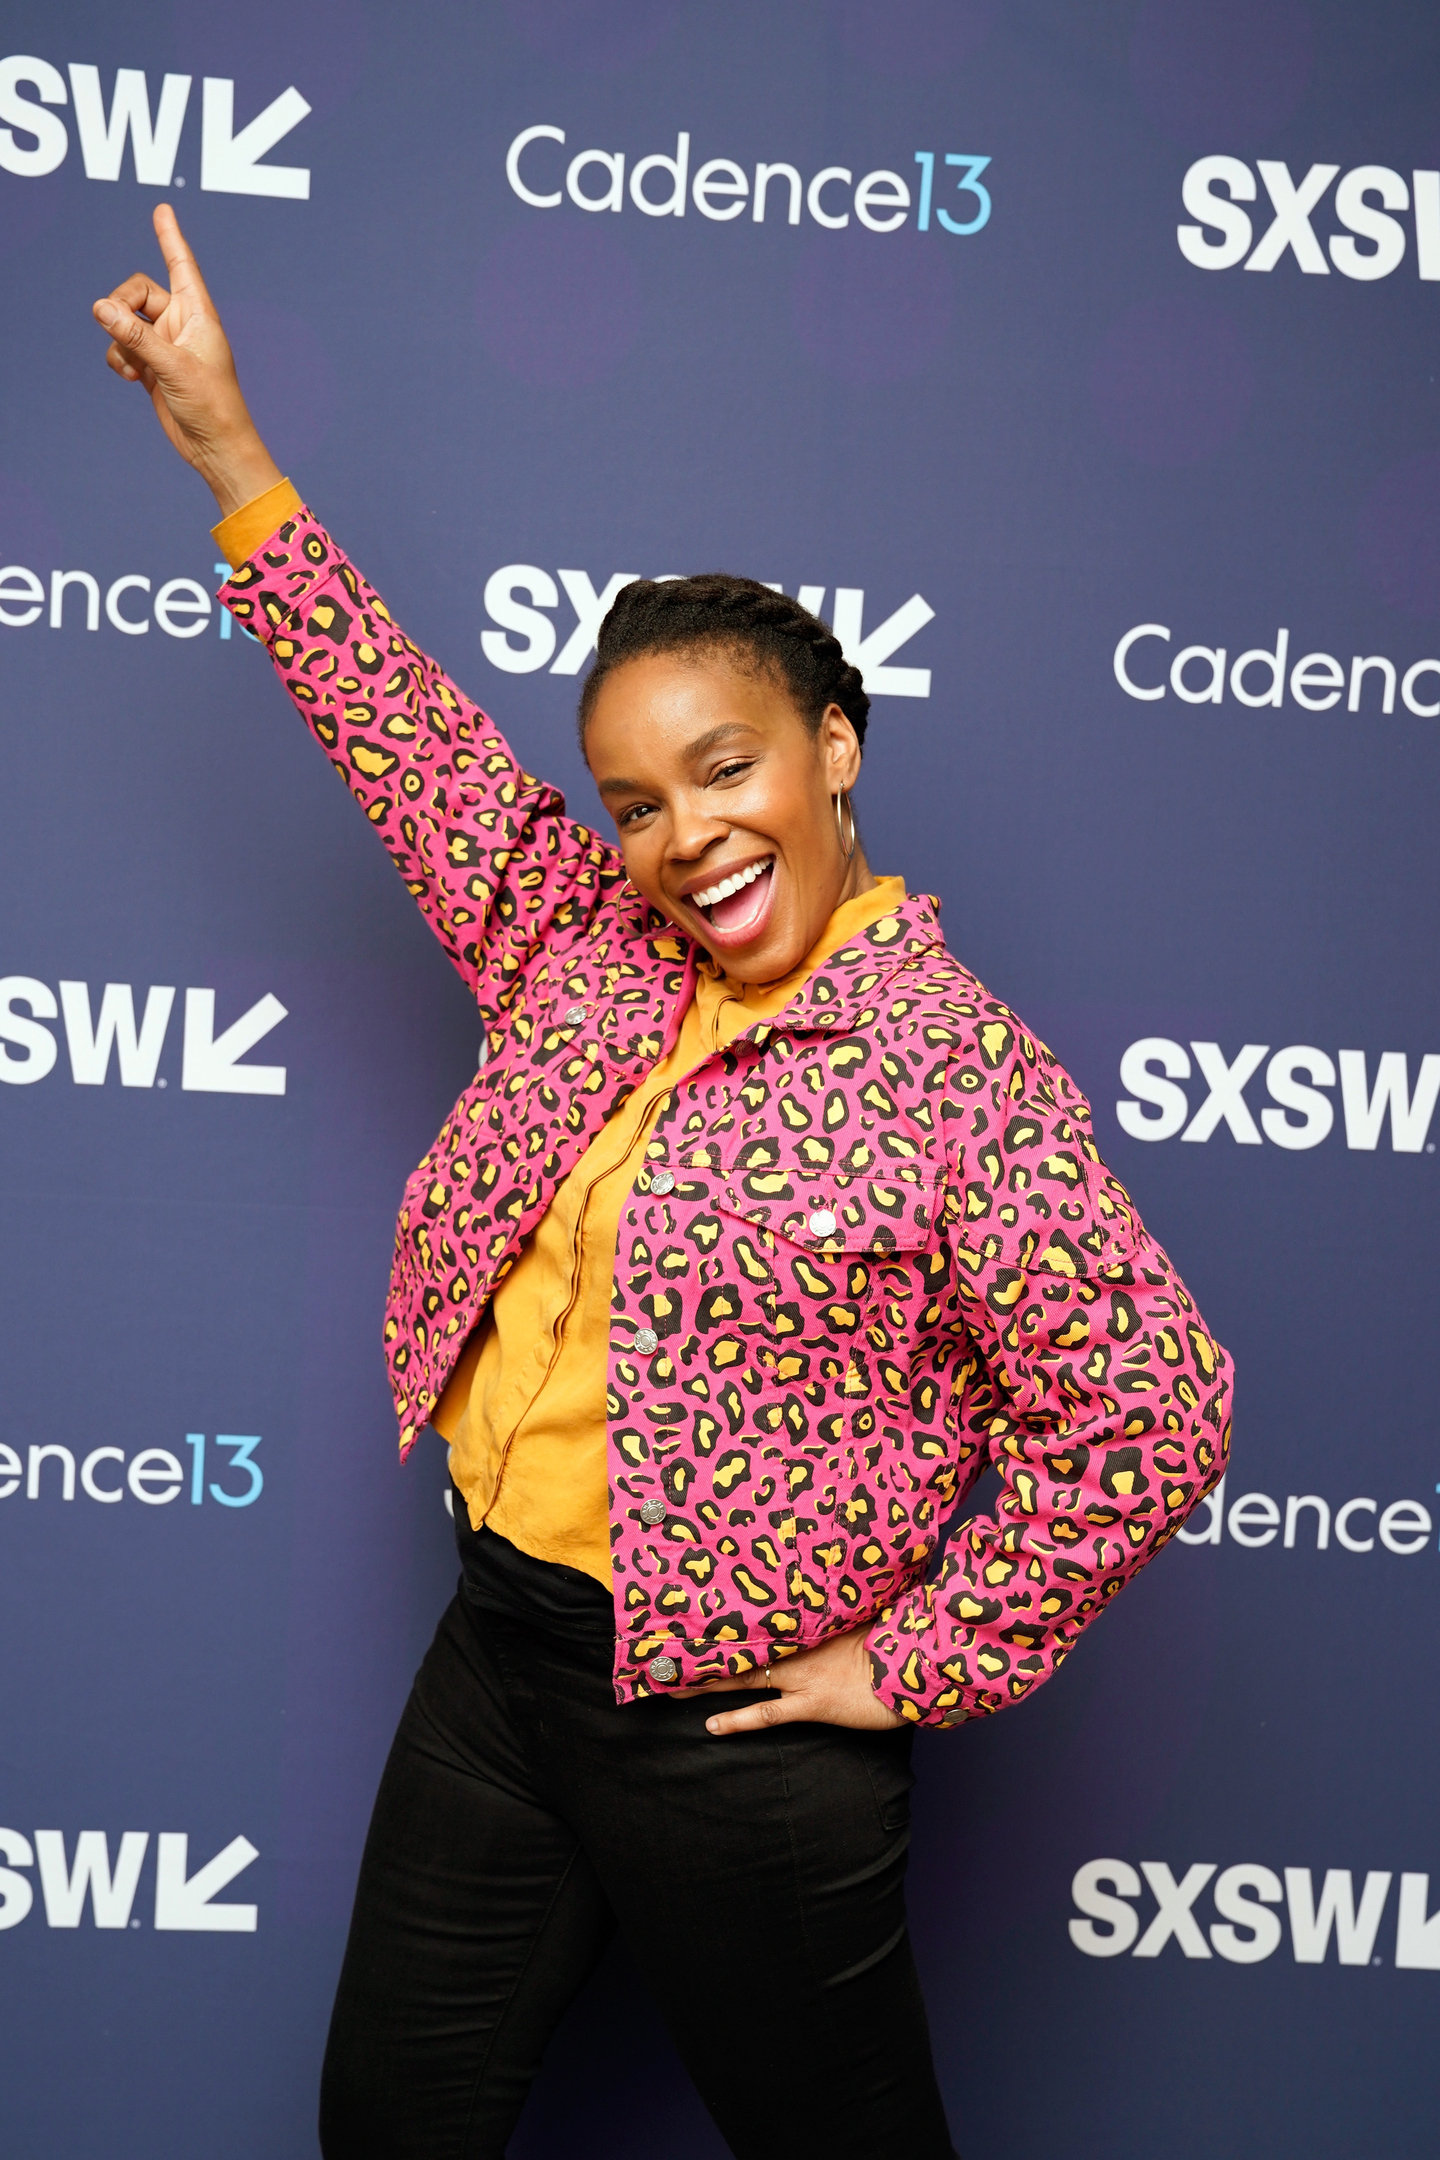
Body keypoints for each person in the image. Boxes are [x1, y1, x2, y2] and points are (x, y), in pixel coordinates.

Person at [91, 207, 1231, 2160]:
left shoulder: (957, 1079)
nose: (684, 837)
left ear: (835, 750)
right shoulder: (579, 949)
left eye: (724, 770)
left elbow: (1154, 1406)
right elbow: (410, 746)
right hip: (504, 1657)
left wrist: (921, 1660)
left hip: (730, 1745)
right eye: (634, 801)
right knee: (393, 2123)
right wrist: (230, 458)